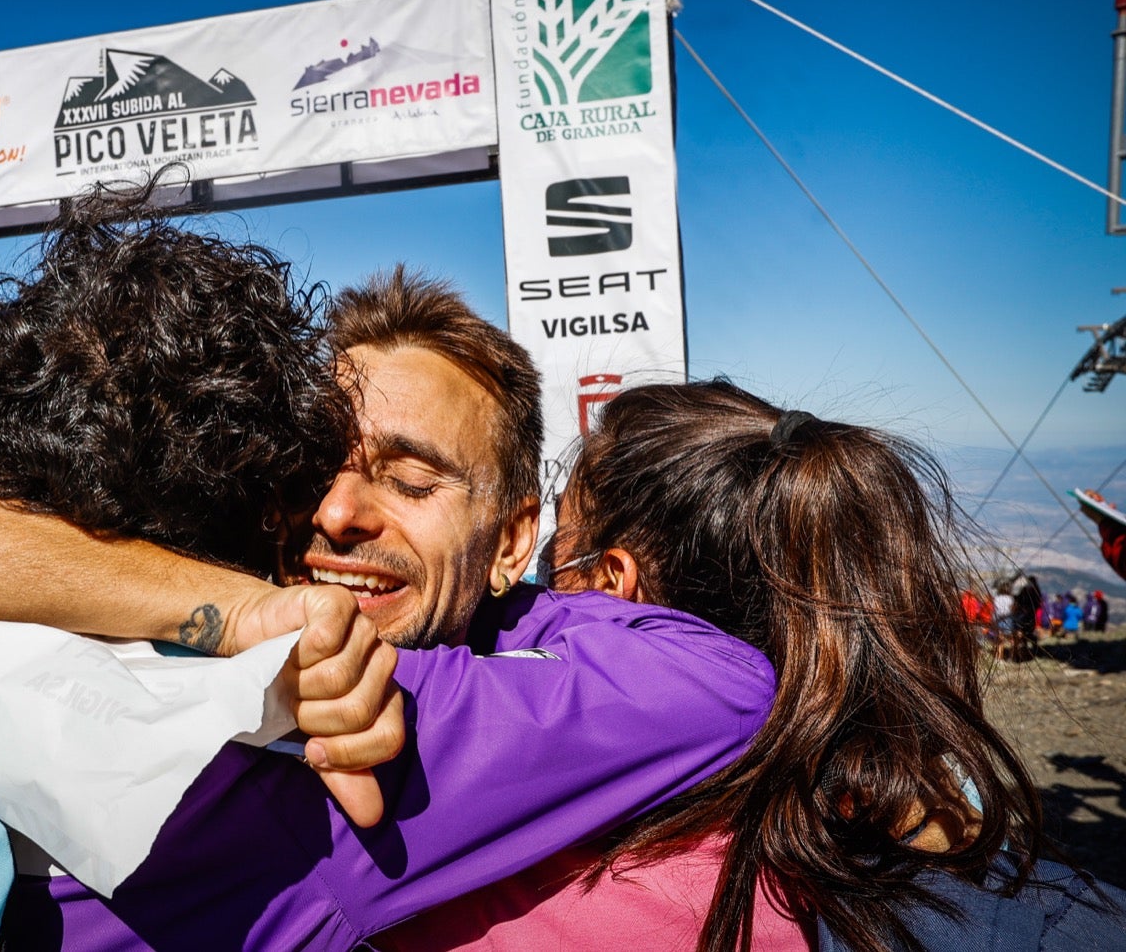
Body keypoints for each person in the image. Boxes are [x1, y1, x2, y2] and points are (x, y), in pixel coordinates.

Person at [0, 260, 775, 950]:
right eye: (313, 470)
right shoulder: (307, 753)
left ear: (515, 541)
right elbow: (726, 682)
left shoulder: (9, 636)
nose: (336, 511)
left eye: (410, 482)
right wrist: (252, 618)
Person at [375, 382, 1124, 952]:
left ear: (611, 583)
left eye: (552, 564)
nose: (531, 594)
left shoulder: (478, 887)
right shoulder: (1032, 903)